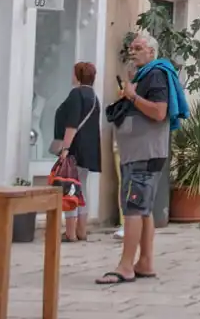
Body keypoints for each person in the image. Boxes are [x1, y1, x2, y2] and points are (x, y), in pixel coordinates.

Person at [97, 32, 184, 285]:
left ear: (151, 52)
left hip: (144, 155)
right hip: (139, 153)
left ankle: (126, 266)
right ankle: (145, 262)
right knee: (143, 209)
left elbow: (159, 112)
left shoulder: (155, 74)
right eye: (131, 47)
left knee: (133, 208)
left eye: (138, 47)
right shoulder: (145, 75)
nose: (132, 51)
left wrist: (132, 96)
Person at [50, 61, 102, 242]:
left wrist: (65, 148)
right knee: (82, 188)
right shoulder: (94, 97)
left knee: (70, 188)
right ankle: (82, 230)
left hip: (75, 149)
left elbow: (72, 124)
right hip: (89, 150)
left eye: (73, 73)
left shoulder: (76, 94)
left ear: (78, 75)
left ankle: (71, 232)